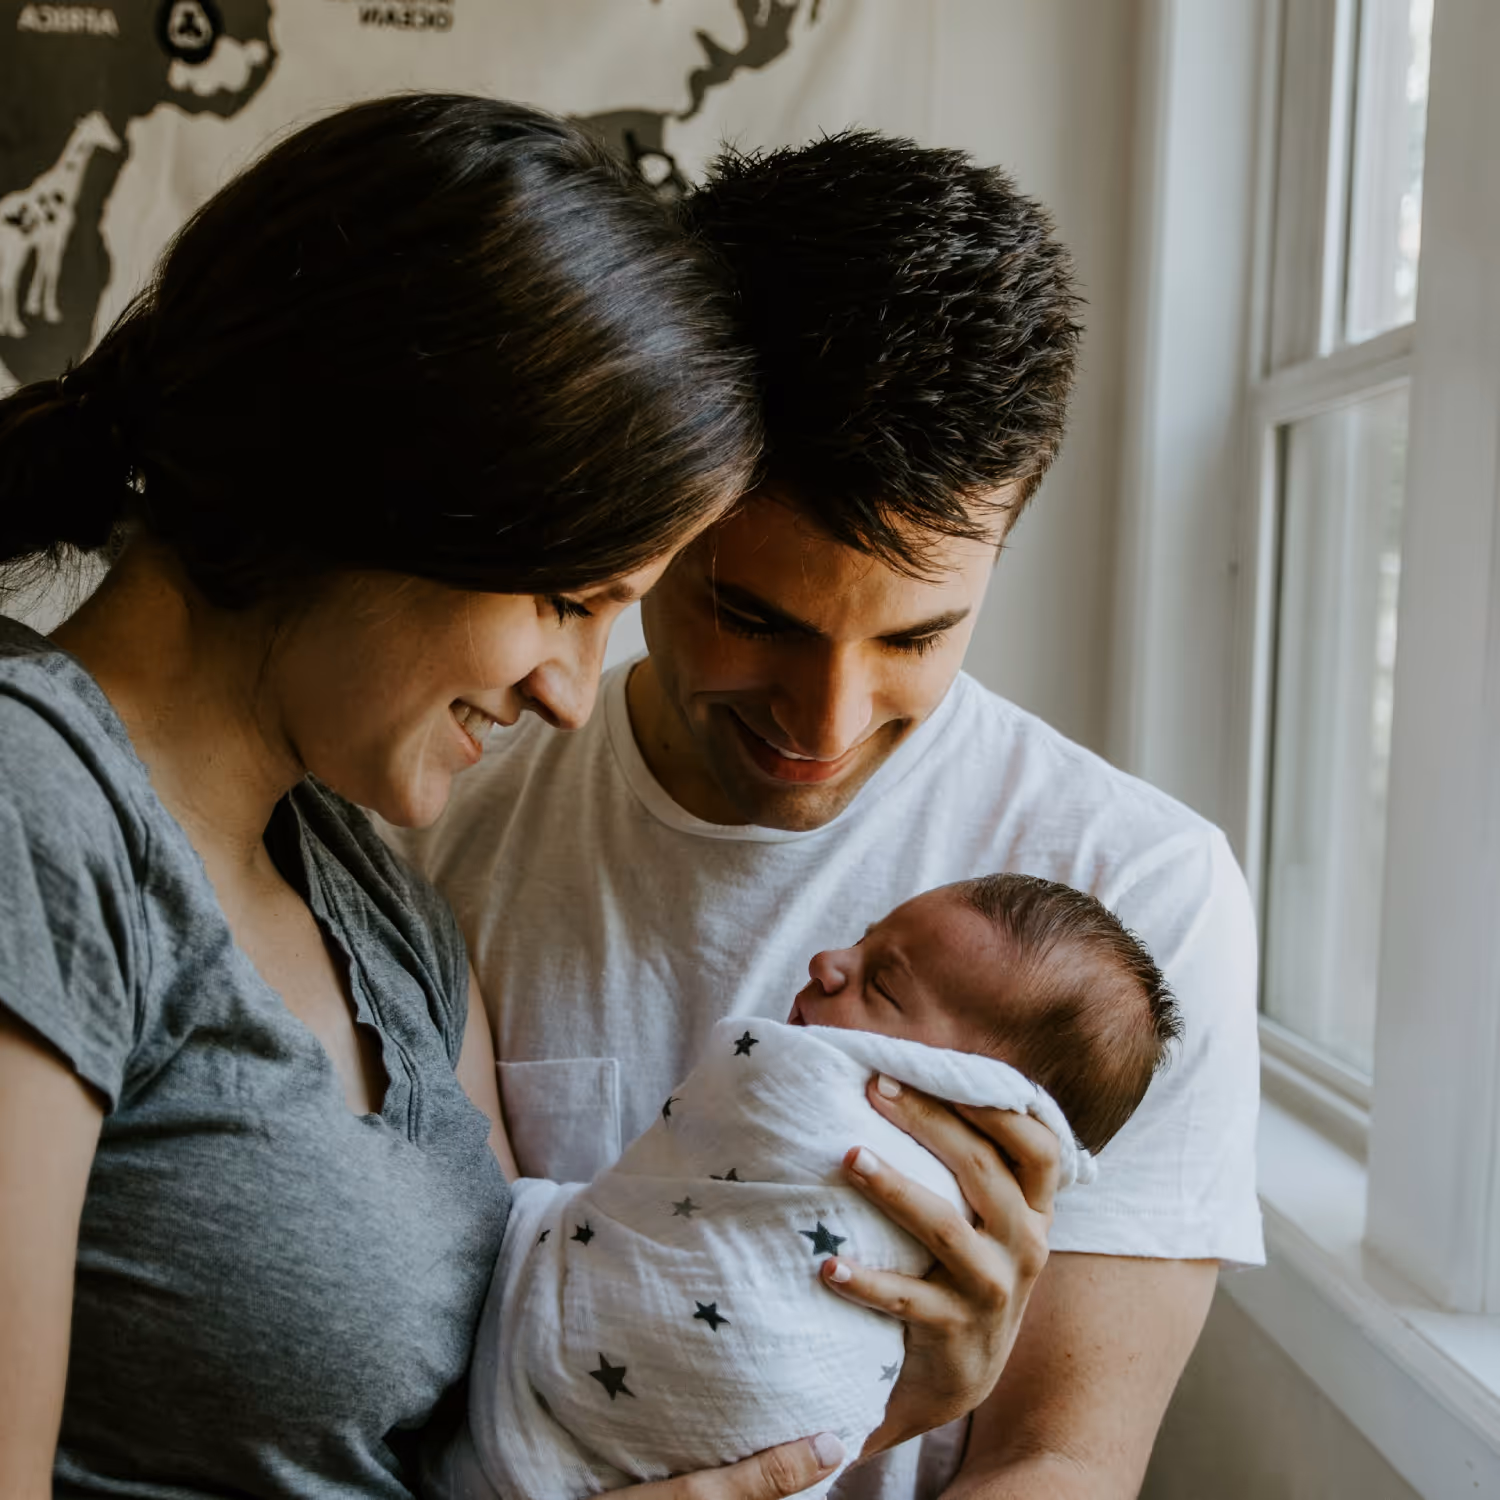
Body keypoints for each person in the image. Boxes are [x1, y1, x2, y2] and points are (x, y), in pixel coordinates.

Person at [0, 92, 893, 1500]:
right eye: (562, 599)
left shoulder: (369, 898)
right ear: (368, 485)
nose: (571, 693)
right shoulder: (34, 816)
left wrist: (890, 1381)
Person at [392, 130, 1264, 1500]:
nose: (827, 722)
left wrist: (914, 1410)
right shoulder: (438, 814)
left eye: (918, 636)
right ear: (657, 503)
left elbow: (1063, 1461)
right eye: (754, 617)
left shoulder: (1138, 892)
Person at [439, 875, 1179, 1500]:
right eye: (862, 941)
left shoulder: (1160, 872)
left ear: (973, 1093)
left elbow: (1069, 1462)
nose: (828, 961)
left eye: (882, 983)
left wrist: (929, 1395)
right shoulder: (466, 865)